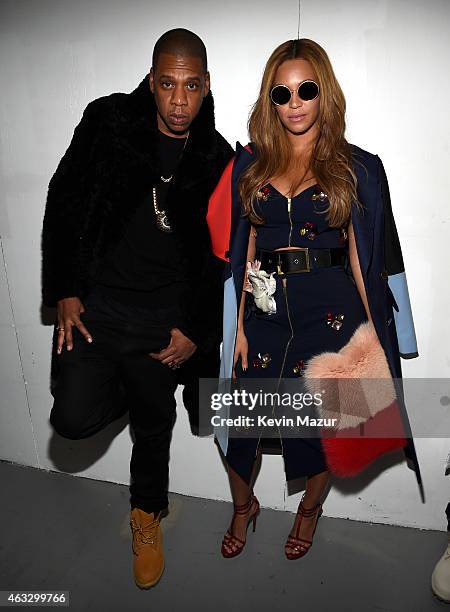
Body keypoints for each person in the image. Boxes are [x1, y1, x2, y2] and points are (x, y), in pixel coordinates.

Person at [206, 38, 421, 559]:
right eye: (282, 92)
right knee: (243, 427)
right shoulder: (250, 166)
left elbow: (367, 256)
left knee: (322, 430)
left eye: (306, 89)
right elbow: (245, 246)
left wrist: (378, 337)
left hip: (331, 312)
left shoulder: (358, 167)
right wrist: (236, 326)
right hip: (267, 311)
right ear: (270, 100)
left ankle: (308, 511)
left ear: (324, 93)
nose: (295, 101)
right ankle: (242, 506)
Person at [41, 28, 233, 588]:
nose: (179, 100)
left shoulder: (216, 157)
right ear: (152, 82)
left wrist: (196, 330)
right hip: (98, 308)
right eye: (168, 84)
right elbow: (65, 197)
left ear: (205, 86)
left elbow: (218, 257)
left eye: (191, 86)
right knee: (71, 419)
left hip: (161, 321)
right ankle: (131, 385)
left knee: (155, 428)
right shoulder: (107, 121)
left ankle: (147, 515)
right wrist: (64, 288)